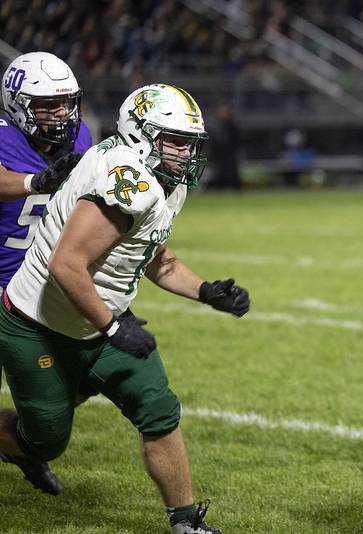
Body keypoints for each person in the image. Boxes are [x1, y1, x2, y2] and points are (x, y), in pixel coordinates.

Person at [0, 83, 250, 534]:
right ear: (141, 135)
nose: (186, 152)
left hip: (99, 318)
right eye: (175, 141)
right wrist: (114, 328)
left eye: (190, 143)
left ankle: (186, 522)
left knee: (158, 409)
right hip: (40, 323)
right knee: (44, 440)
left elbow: (146, 251)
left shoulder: (158, 178)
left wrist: (205, 291)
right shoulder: (128, 182)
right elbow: (67, 264)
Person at [0, 51, 93, 495]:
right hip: (1, 281)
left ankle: (20, 445)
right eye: (47, 106)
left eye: (66, 103)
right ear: (17, 105)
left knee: (82, 380)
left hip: (42, 286)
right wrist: (35, 182)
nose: (61, 114)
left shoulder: (81, 137)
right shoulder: (3, 136)